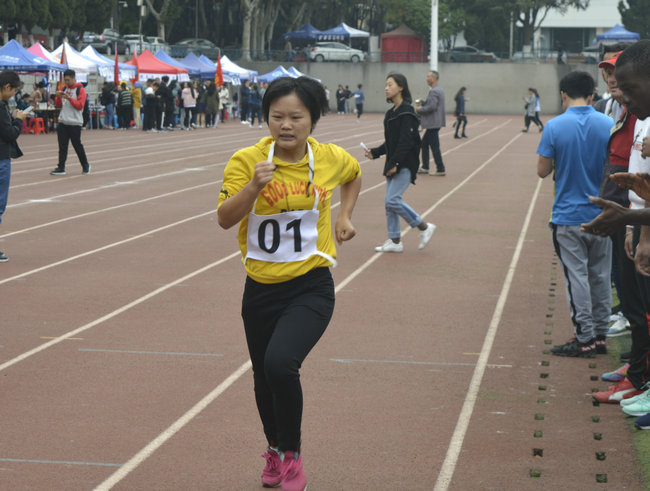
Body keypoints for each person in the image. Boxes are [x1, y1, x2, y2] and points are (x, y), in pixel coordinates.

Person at [217, 76, 362, 491]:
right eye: (276, 116)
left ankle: (292, 456)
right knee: (263, 377)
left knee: (281, 363)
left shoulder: (329, 158)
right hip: (260, 289)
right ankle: (274, 450)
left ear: (312, 120)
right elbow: (225, 218)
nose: (285, 125)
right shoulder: (246, 160)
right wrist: (253, 187)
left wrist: (344, 215)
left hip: (310, 285)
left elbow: (354, 175)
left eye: (296, 117)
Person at [536, 71, 614, 358]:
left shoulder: (555, 126)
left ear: (563, 95)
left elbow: (542, 171)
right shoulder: (608, 124)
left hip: (568, 215)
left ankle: (584, 338)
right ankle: (601, 335)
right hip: (603, 213)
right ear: (592, 95)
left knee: (576, 277)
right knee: (601, 276)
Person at [365, 73, 436, 253]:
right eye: (386, 85)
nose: (386, 88)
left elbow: (406, 142)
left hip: (405, 163)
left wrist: (395, 163)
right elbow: (391, 143)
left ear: (401, 87)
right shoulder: (391, 114)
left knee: (393, 200)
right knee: (389, 203)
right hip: (393, 162)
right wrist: (375, 153)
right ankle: (395, 241)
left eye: (390, 84)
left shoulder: (407, 112)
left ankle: (424, 227)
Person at [0, 70, 27, 262]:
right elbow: (9, 134)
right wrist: (18, 120)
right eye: (14, 91)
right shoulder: (1, 107)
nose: (13, 95)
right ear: (7, 87)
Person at [50, 69, 91, 176]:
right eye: (65, 80)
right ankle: (61, 167)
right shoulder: (64, 88)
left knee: (77, 145)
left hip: (75, 123)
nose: (67, 82)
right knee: (62, 147)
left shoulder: (80, 89)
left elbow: (80, 106)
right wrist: (57, 97)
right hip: (63, 121)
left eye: (68, 80)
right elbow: (58, 105)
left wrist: (69, 98)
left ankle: (85, 165)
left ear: (73, 78)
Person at [416, 70, 446, 176]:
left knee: (434, 146)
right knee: (425, 144)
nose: (427, 78)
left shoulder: (434, 91)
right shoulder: (439, 89)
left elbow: (432, 107)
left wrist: (420, 109)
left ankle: (440, 168)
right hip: (436, 122)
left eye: (428, 76)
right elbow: (433, 104)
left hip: (433, 123)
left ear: (434, 78)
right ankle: (426, 167)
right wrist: (424, 102)